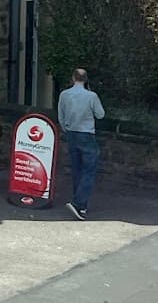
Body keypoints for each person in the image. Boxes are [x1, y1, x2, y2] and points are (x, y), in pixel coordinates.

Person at [57, 68, 105, 221]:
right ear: (86, 79)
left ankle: (81, 205)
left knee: (76, 168)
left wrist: (66, 128)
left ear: (73, 78)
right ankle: (78, 203)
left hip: (71, 133)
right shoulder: (91, 96)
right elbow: (100, 114)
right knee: (89, 170)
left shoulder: (64, 95)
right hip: (86, 134)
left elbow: (61, 116)